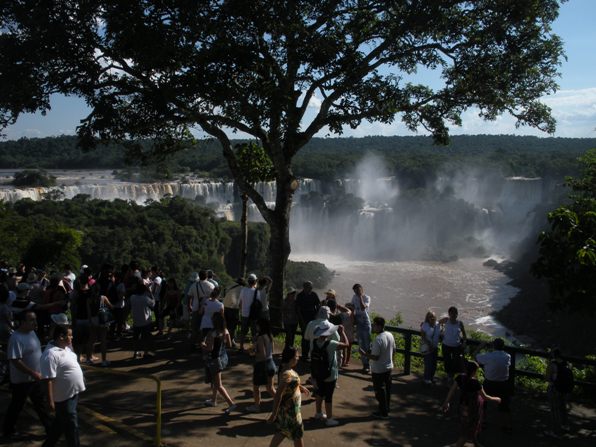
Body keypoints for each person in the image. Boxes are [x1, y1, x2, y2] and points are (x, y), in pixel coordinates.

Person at [2, 310, 53, 439]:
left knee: (40, 405)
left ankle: (50, 429)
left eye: (35, 319)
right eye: (31, 320)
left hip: (35, 378)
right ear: (22, 322)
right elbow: (15, 360)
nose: (35, 322)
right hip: (22, 381)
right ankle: (7, 430)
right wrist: (32, 372)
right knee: (17, 406)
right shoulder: (16, 338)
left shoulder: (32, 333)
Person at [40, 325, 85, 447]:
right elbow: (48, 379)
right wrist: (50, 401)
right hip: (63, 399)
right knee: (72, 428)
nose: (72, 337)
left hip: (72, 394)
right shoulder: (50, 355)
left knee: (59, 425)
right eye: (69, 335)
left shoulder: (65, 347)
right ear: (61, 337)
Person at [442, 360, 501, 447]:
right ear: (474, 371)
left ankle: (475, 443)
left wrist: (446, 402)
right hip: (472, 409)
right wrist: (497, 399)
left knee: (468, 426)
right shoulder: (475, 383)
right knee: (466, 433)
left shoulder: (460, 378)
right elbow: (485, 397)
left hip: (462, 406)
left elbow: (452, 390)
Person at [267, 346, 309, 447]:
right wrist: (274, 414)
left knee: (283, 431)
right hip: (291, 412)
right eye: (297, 356)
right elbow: (278, 395)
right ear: (291, 358)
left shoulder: (286, 368)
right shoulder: (287, 374)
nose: (298, 358)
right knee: (297, 434)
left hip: (288, 410)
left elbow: (290, 384)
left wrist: (299, 387)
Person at [311, 320, 349, 427]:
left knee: (319, 393)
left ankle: (318, 413)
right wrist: (342, 332)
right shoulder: (331, 344)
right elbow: (346, 344)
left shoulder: (314, 342)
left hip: (318, 373)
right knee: (328, 397)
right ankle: (329, 418)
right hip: (330, 374)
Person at [360, 316, 395, 419]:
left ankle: (383, 413)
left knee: (379, 392)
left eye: (374, 325)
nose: (372, 327)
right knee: (387, 390)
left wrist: (364, 354)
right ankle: (386, 408)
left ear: (379, 326)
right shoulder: (390, 335)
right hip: (388, 367)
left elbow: (375, 357)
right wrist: (392, 361)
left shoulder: (378, 339)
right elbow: (394, 349)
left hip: (378, 370)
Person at [475, 337, 512, 432]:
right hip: (503, 384)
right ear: (503, 346)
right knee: (504, 405)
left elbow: (476, 356)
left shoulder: (489, 356)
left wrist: (481, 346)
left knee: (483, 403)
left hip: (489, 383)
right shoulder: (507, 356)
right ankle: (506, 425)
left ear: (493, 346)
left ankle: (483, 422)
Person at [202, 312, 236, 414]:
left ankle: (231, 404)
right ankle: (213, 400)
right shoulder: (225, 331)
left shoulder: (212, 333)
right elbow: (229, 344)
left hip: (214, 360)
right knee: (215, 381)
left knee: (218, 384)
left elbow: (209, 349)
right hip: (222, 358)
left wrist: (202, 344)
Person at [247, 318, 277, 413]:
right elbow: (271, 351)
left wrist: (253, 351)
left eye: (257, 325)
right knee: (270, 388)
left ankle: (257, 406)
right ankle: (282, 403)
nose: (256, 327)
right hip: (271, 363)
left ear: (260, 326)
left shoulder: (260, 338)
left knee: (256, 387)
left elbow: (262, 355)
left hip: (262, 365)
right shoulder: (269, 336)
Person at [545, 348, 572, 438]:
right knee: (563, 408)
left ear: (553, 355)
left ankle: (555, 431)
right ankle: (565, 425)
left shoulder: (552, 365)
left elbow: (548, 378)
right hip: (565, 389)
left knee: (554, 410)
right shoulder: (567, 364)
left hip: (554, 389)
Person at [439, 306, 467, 381]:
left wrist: (464, 342)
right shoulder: (446, 320)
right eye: (452, 313)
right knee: (447, 361)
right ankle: (449, 376)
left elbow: (464, 334)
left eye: (455, 313)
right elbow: (437, 323)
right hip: (446, 345)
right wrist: (440, 331)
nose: (454, 314)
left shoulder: (460, 323)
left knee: (455, 362)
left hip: (456, 346)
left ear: (457, 314)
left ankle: (451, 377)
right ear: (449, 313)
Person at [295, 281, 320, 362]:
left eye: (311, 287)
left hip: (312, 319)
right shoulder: (300, 296)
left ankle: (311, 354)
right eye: (309, 287)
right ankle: (304, 355)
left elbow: (318, 305)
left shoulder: (314, 294)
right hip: (303, 319)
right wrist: (301, 321)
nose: (310, 289)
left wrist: (316, 315)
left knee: (312, 337)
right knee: (305, 337)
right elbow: (298, 309)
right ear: (304, 287)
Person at [129, 280, 155, 359]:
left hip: (136, 321)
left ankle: (135, 352)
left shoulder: (132, 297)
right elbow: (153, 304)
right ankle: (146, 353)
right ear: (144, 291)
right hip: (145, 321)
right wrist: (150, 292)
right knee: (145, 338)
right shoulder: (145, 298)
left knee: (136, 338)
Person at [351, 283, 371, 373]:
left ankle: (368, 365)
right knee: (361, 345)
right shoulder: (354, 297)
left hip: (366, 323)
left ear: (362, 289)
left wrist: (360, 297)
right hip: (358, 323)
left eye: (358, 290)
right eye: (355, 291)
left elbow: (363, 308)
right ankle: (364, 364)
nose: (356, 293)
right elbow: (352, 308)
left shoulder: (367, 297)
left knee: (367, 345)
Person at [238, 273, 259, 352]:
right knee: (254, 332)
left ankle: (241, 347)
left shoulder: (243, 290)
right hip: (253, 315)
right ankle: (254, 349)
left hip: (244, 314)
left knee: (243, 331)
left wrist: (241, 311)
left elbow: (240, 302)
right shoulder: (256, 291)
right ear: (255, 281)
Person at [222, 278, 245, 346]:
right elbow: (241, 301)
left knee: (226, 324)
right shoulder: (242, 288)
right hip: (233, 308)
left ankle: (225, 340)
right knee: (233, 326)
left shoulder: (230, 285)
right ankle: (231, 341)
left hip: (225, 306)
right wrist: (241, 311)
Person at [420, 310, 441, 385]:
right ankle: (426, 379)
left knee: (434, 364)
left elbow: (440, 332)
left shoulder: (438, 324)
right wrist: (429, 344)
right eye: (430, 317)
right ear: (427, 318)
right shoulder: (425, 325)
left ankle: (431, 378)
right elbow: (423, 336)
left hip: (435, 347)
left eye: (433, 317)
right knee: (428, 364)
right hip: (428, 347)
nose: (432, 318)